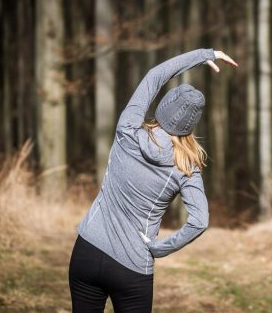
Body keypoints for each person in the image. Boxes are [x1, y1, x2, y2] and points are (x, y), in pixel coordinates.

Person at [68, 48, 238, 312]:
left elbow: (154, 77)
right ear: (191, 125)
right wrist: (159, 248)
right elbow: (200, 221)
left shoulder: (127, 128)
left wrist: (205, 54)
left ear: (163, 107)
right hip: (132, 266)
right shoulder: (186, 165)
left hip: (87, 250)